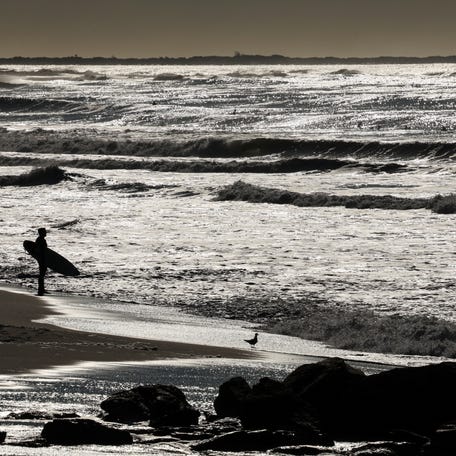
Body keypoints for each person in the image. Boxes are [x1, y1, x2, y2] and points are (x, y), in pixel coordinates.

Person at [35, 227, 48, 296]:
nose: (46, 233)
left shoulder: (40, 239)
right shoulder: (40, 240)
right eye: (45, 232)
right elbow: (39, 250)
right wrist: (41, 258)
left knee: (42, 273)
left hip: (42, 258)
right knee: (42, 273)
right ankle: (41, 289)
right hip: (42, 258)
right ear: (41, 233)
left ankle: (41, 288)